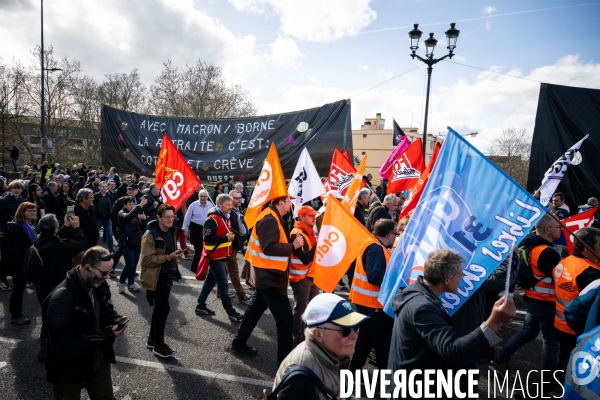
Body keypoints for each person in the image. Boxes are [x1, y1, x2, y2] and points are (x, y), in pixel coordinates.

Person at [388, 249, 515, 398]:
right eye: (460, 275)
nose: (461, 280)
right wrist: (495, 321)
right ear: (447, 280)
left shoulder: (417, 292)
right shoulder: (423, 307)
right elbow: (453, 352)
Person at [43, 246, 127, 399]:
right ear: (88, 267)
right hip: (69, 369)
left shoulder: (98, 282)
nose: (107, 277)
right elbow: (63, 345)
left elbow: (104, 306)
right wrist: (104, 338)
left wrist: (113, 317)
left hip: (98, 360)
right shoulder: (61, 299)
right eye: (104, 272)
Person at [232, 196, 304, 364]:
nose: (290, 204)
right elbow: (269, 247)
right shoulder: (269, 219)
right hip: (269, 277)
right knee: (285, 320)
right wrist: (293, 246)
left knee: (255, 310)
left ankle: (238, 342)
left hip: (269, 274)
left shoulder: (274, 217)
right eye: (288, 201)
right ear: (280, 203)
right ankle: (285, 362)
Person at [491, 214, 562, 374]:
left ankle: (500, 360)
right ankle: (549, 384)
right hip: (547, 303)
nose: (561, 230)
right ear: (547, 229)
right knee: (551, 344)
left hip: (531, 299)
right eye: (558, 227)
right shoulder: (549, 253)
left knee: (528, 333)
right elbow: (561, 280)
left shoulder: (527, 246)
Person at [271, 293, 369, 400]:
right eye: (344, 330)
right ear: (318, 334)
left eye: (355, 327)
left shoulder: (333, 355)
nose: (355, 335)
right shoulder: (300, 378)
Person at [34, 213, 87, 361]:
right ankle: (47, 350)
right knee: (55, 318)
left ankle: (46, 348)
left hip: (42, 285)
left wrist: (64, 227)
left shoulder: (40, 240)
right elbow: (81, 244)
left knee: (47, 316)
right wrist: (76, 228)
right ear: (55, 229)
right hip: (55, 287)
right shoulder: (57, 246)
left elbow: (55, 239)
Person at [552, 227, 600, 382]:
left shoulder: (565, 261)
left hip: (560, 323)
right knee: (569, 366)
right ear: (587, 249)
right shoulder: (590, 273)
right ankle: (537, 390)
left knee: (565, 362)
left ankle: (539, 389)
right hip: (576, 328)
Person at [348, 219, 396, 372]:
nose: (396, 237)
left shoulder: (373, 245)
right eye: (395, 234)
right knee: (384, 348)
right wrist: (394, 277)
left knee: (365, 343)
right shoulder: (375, 249)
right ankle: (386, 385)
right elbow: (374, 276)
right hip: (373, 306)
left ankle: (350, 374)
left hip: (368, 304)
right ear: (388, 235)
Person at [140, 204, 182, 358]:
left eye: (173, 217)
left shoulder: (172, 230)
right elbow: (146, 259)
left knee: (159, 308)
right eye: (167, 217)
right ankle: (159, 345)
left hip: (167, 275)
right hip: (155, 276)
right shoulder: (150, 234)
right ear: (158, 217)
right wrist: (168, 257)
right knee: (163, 308)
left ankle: (152, 339)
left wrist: (174, 257)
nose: (171, 220)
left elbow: (170, 250)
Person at [194, 194, 244, 321]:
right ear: (220, 205)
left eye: (231, 204)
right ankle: (231, 313)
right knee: (224, 287)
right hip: (215, 258)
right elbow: (207, 238)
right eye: (228, 205)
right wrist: (226, 238)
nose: (230, 207)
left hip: (221, 256)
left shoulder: (223, 216)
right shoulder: (214, 218)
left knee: (209, 282)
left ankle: (200, 306)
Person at [288, 205, 319, 346]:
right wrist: (319, 245)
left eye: (314, 215)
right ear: (302, 217)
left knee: (313, 306)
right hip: (300, 277)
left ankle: (308, 332)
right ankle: (297, 335)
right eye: (311, 215)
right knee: (301, 308)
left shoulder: (309, 231)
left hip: (311, 275)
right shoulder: (297, 233)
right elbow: (305, 258)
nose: (314, 217)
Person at [5, 202, 39, 324]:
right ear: (22, 212)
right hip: (20, 264)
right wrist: (22, 266)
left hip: (29, 262)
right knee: (18, 289)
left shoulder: (33, 225)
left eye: (34, 211)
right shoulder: (17, 228)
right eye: (30, 211)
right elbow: (15, 251)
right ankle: (16, 315)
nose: (33, 213)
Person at [224, 189, 252, 304]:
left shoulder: (237, 209)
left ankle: (220, 292)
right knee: (233, 270)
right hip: (231, 245)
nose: (239, 200)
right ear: (230, 199)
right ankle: (241, 294)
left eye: (240, 198)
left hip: (235, 245)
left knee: (224, 270)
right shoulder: (228, 213)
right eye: (236, 198)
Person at [117, 196, 147, 293]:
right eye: (129, 204)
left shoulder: (136, 212)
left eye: (132, 204)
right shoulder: (121, 213)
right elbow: (127, 217)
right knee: (129, 264)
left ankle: (131, 283)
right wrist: (139, 206)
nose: (131, 206)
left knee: (134, 264)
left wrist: (145, 217)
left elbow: (143, 223)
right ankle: (121, 282)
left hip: (136, 241)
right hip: (126, 243)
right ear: (125, 205)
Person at [0, 179, 25, 290]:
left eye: (18, 188)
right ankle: (3, 280)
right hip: (5, 232)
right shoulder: (4, 200)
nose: (16, 190)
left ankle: (16, 278)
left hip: (17, 232)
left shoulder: (21, 199)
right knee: (4, 256)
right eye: (14, 188)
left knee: (16, 256)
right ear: (10, 189)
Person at [183, 189, 211, 272]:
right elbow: (187, 218)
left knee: (203, 249)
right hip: (196, 228)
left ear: (207, 197)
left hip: (207, 228)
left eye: (205, 196)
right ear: (198, 196)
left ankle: (194, 266)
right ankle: (200, 268)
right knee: (198, 248)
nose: (203, 198)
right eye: (201, 196)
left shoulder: (210, 205)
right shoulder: (193, 205)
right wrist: (185, 229)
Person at [94, 181, 115, 254]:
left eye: (105, 186)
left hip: (107, 218)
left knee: (110, 234)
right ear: (99, 187)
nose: (104, 188)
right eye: (102, 186)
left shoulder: (109, 195)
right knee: (95, 234)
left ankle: (111, 250)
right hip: (99, 218)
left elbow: (111, 205)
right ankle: (93, 249)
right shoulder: (96, 196)